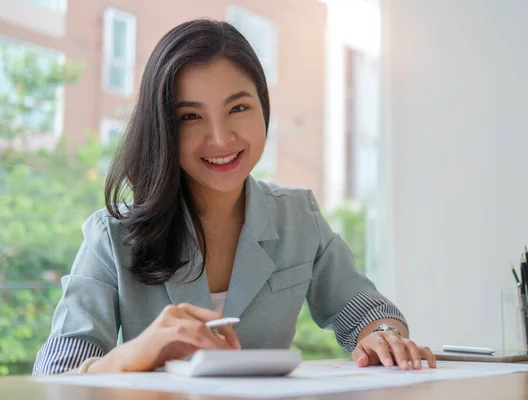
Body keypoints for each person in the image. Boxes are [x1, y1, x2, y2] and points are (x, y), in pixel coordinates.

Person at [32, 18, 436, 376]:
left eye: (238, 108)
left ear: (264, 108)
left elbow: (369, 312)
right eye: (190, 116)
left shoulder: (299, 216)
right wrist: (136, 353)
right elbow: (57, 372)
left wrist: (383, 336)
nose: (221, 138)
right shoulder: (112, 235)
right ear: (163, 126)